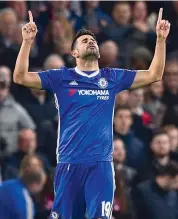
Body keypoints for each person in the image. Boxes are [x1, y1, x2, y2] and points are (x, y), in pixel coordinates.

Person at [13, 9, 170, 219]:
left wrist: (160, 40)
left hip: (101, 165)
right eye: (85, 40)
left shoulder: (112, 77)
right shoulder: (62, 77)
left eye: (93, 40)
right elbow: (20, 77)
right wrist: (27, 42)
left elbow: (154, 74)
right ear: (74, 53)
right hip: (69, 162)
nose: (91, 42)